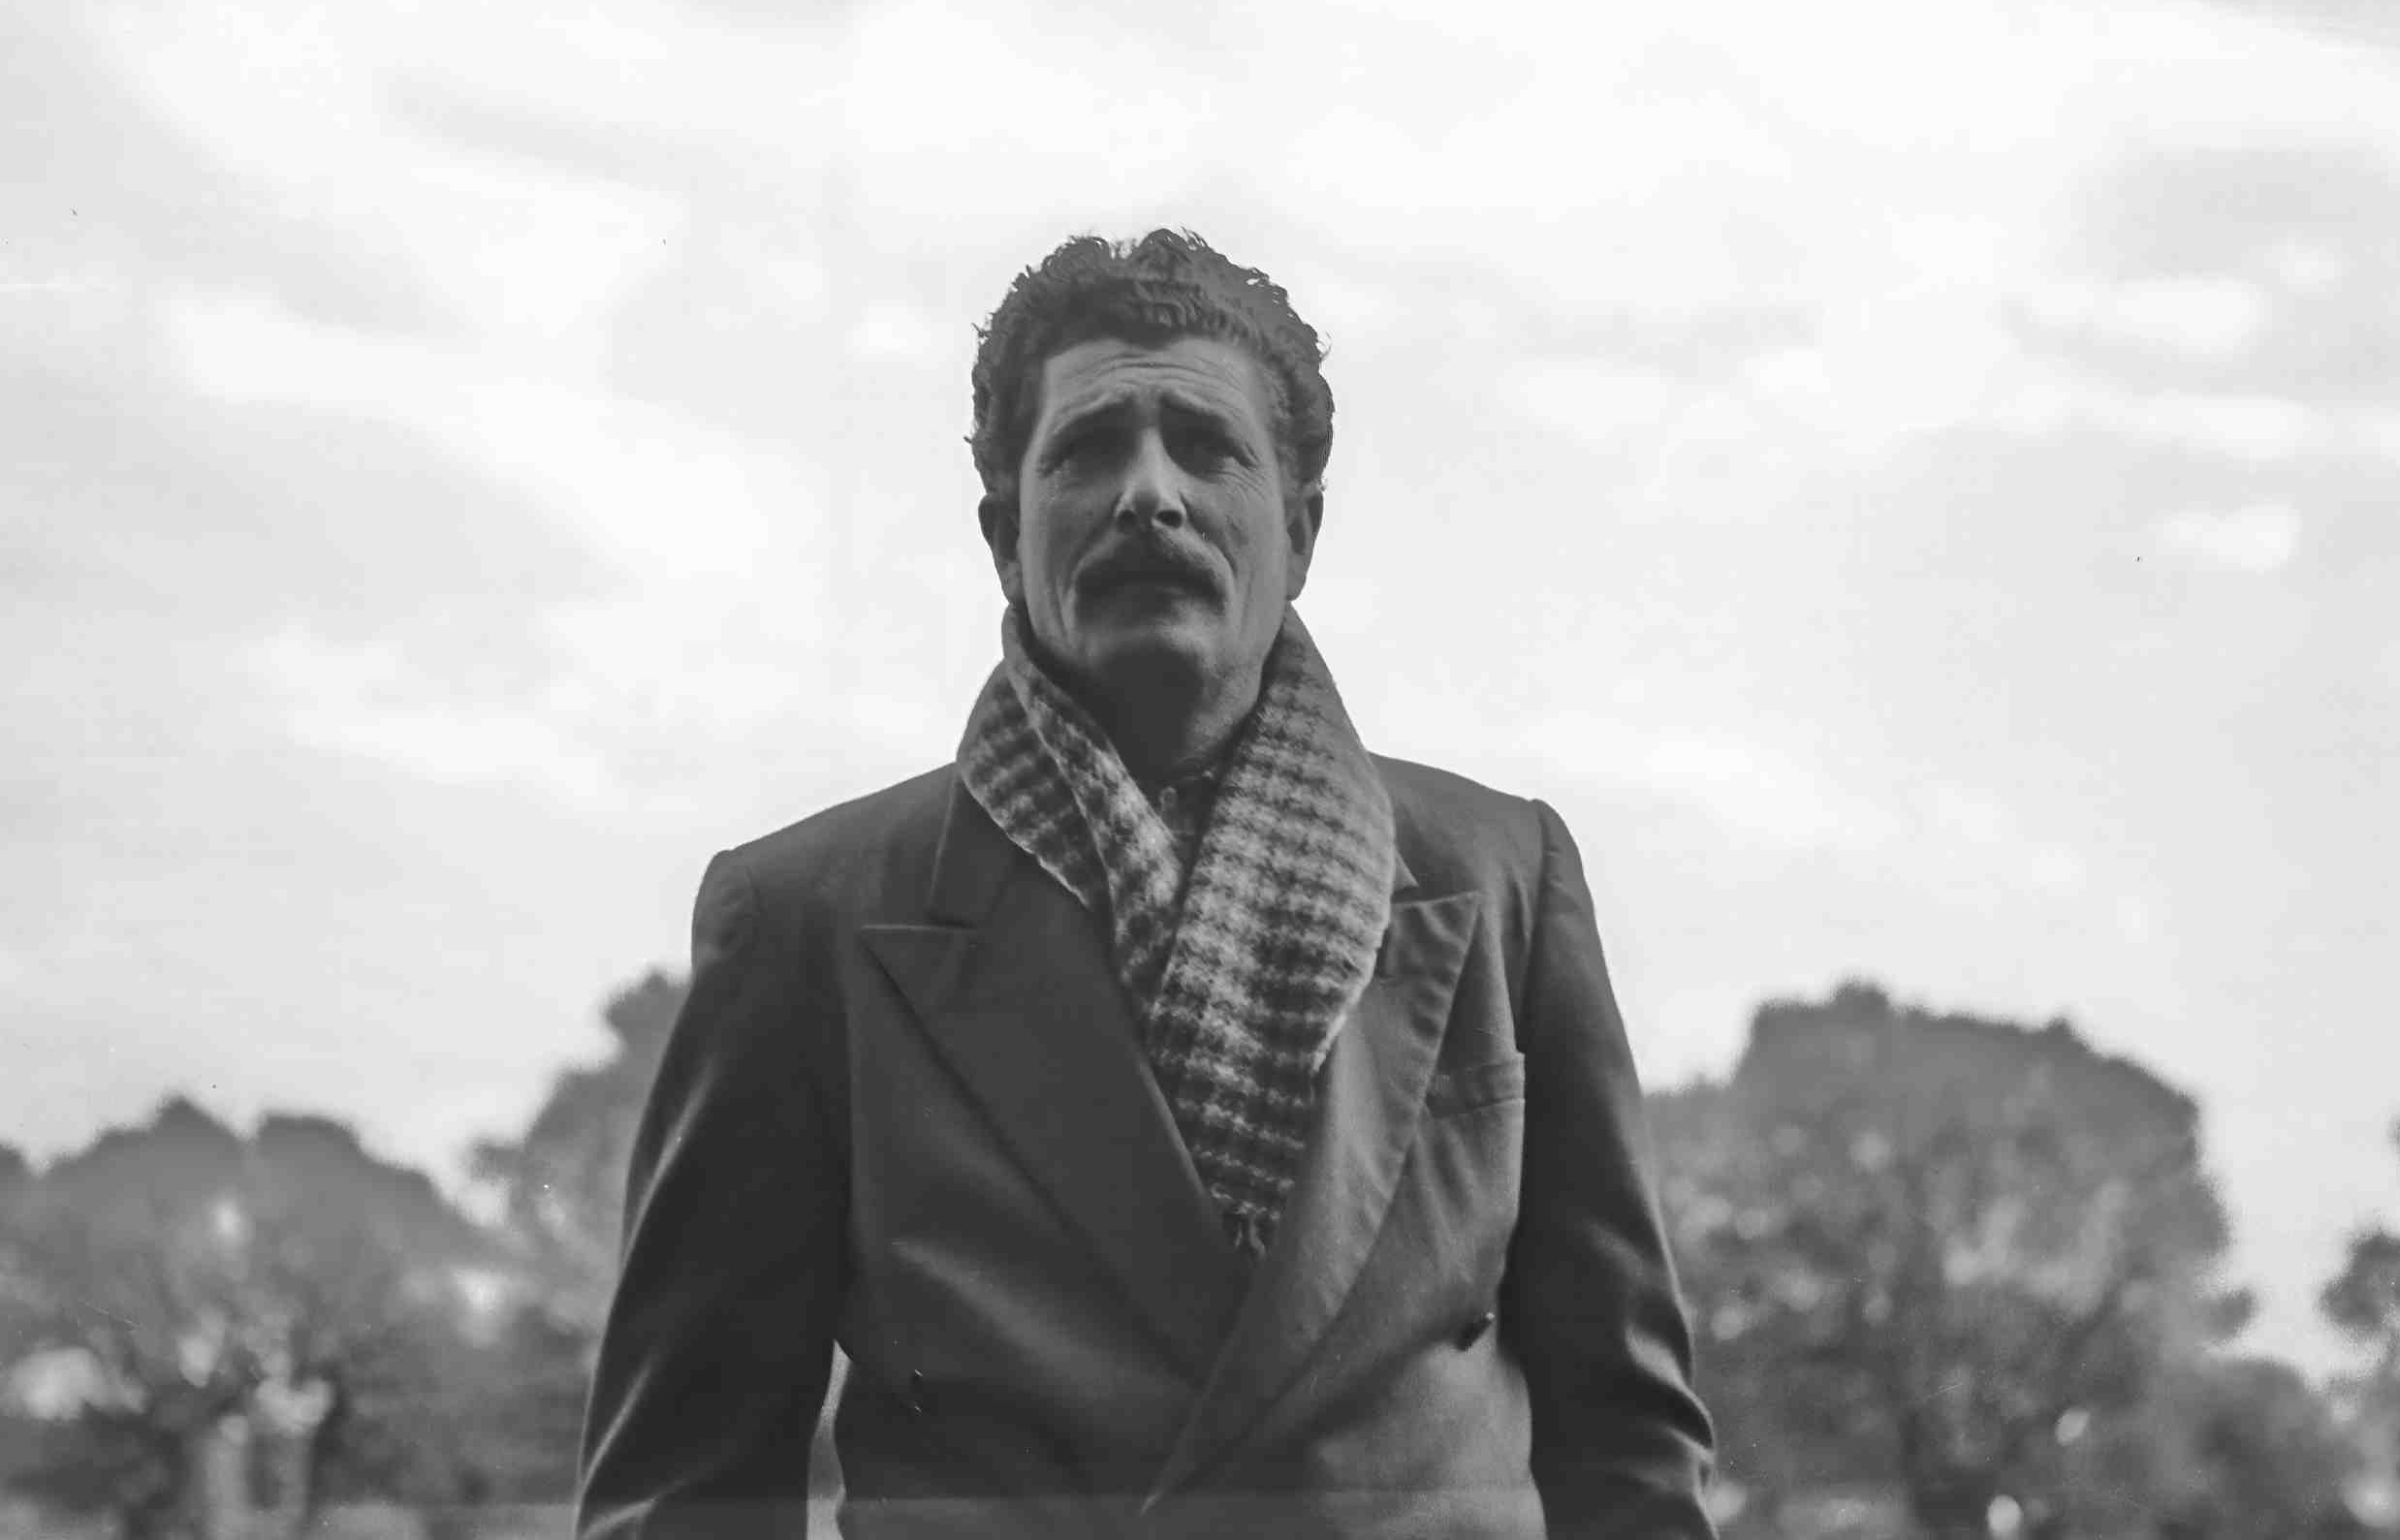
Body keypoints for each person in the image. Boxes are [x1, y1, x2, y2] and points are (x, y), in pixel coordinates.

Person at [576, 229, 1719, 1540]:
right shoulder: (805, 920)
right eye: (1088, 450)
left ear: (1301, 528)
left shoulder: (1504, 877)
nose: (1149, 495)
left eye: (1207, 446)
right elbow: (685, 1490)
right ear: (1005, 537)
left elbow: (1628, 1446)